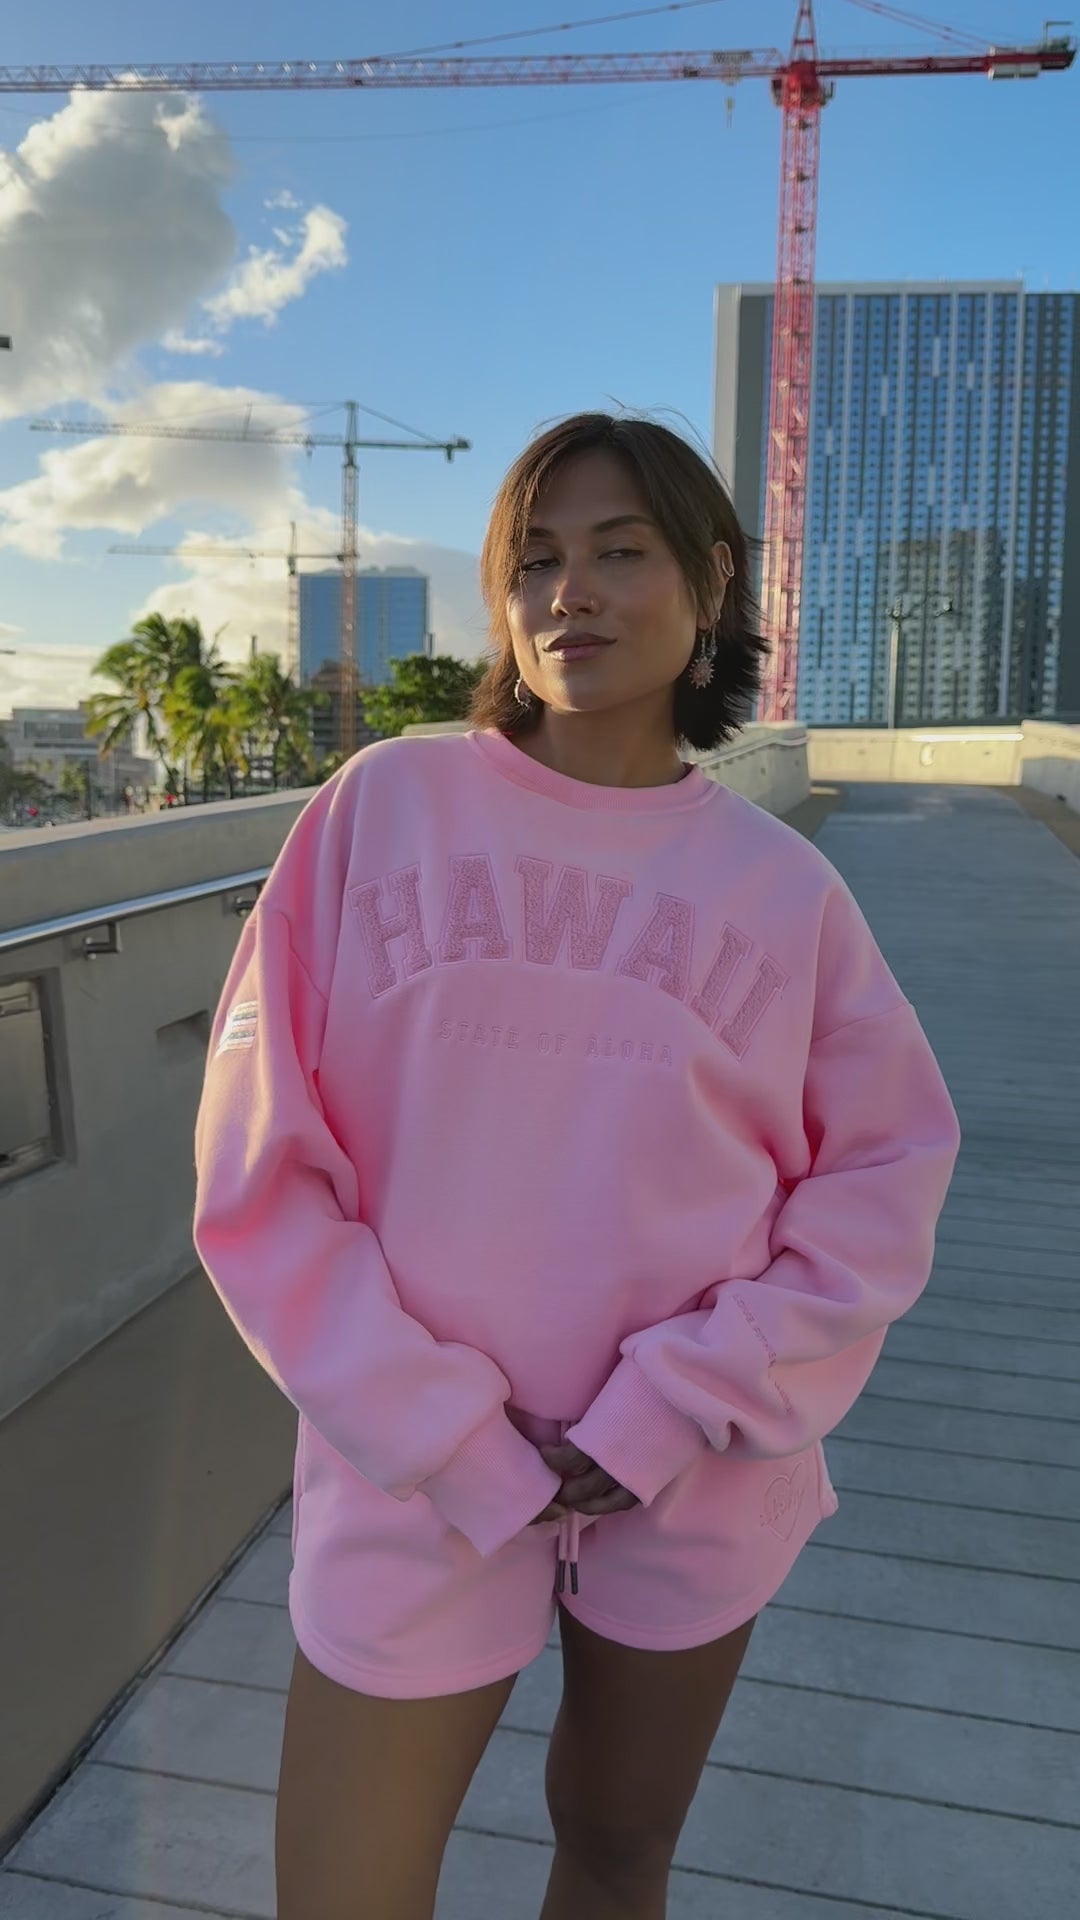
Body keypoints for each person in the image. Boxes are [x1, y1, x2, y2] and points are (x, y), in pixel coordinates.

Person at [193, 412, 961, 1920]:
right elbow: (259, 1170)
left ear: (712, 583)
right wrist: (447, 1433)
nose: (571, 595)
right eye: (535, 560)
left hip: (692, 1472)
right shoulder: (381, 813)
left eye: (621, 552)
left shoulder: (782, 890)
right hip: (408, 1476)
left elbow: (882, 1175)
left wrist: (679, 1400)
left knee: (616, 1852)